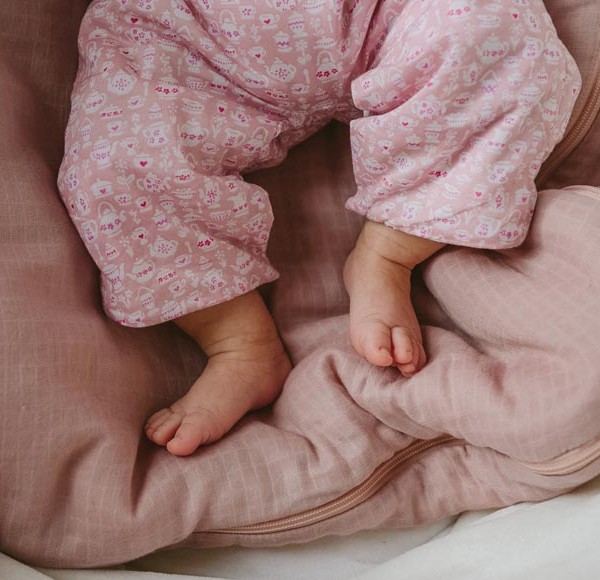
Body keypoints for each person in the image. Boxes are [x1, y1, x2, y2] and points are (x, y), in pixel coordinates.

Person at [58, 0, 580, 456]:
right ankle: (237, 341)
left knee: (499, 35)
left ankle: (388, 248)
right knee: (110, 167)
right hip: (188, 34)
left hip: (381, 16)